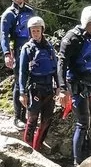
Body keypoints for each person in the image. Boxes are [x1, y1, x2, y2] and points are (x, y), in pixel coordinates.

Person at [57, 5, 91, 165]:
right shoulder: (72, 37)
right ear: (86, 21)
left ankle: (87, 156)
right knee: (82, 122)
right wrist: (62, 89)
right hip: (77, 85)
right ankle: (77, 162)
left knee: (90, 121)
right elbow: (62, 63)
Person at [18, 16, 61, 150]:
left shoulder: (49, 48)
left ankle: (38, 146)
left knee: (47, 120)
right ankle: (28, 146)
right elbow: (23, 72)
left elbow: (56, 69)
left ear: (42, 30)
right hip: (35, 89)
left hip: (49, 88)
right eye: (33, 31)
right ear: (30, 32)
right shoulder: (27, 48)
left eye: (37, 30)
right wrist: (22, 92)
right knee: (32, 119)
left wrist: (59, 86)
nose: (35, 33)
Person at [0, 0, 37, 129]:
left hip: (32, 48)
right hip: (19, 49)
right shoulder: (9, 14)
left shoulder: (30, 11)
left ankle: (30, 113)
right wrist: (7, 53)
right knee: (19, 82)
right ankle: (18, 117)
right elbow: (4, 35)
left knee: (33, 80)